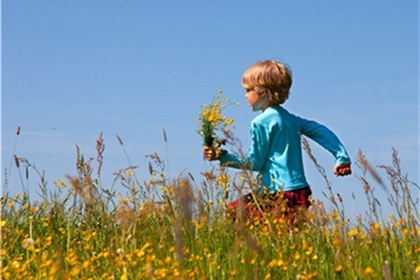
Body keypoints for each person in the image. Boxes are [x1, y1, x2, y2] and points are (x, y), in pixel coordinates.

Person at [203, 59, 352, 224]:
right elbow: (320, 131)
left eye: (248, 90)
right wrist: (341, 157)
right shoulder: (291, 119)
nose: (245, 95)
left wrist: (222, 157)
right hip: (300, 191)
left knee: (235, 213)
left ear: (263, 91)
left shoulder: (260, 123)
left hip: (275, 193)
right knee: (289, 238)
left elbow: (254, 163)